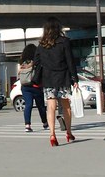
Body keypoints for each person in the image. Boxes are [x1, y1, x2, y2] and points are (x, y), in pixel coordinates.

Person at [34, 17, 78, 146]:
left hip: (48, 78)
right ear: (58, 28)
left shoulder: (41, 45)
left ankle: (52, 134)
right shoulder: (64, 42)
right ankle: (68, 132)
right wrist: (74, 79)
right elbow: (70, 61)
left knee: (51, 107)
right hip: (63, 77)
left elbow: (36, 61)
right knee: (66, 106)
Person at [17, 44, 47, 132]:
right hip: (35, 86)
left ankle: (27, 125)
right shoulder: (36, 61)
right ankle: (45, 122)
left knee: (28, 105)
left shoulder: (22, 62)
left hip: (25, 86)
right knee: (40, 106)